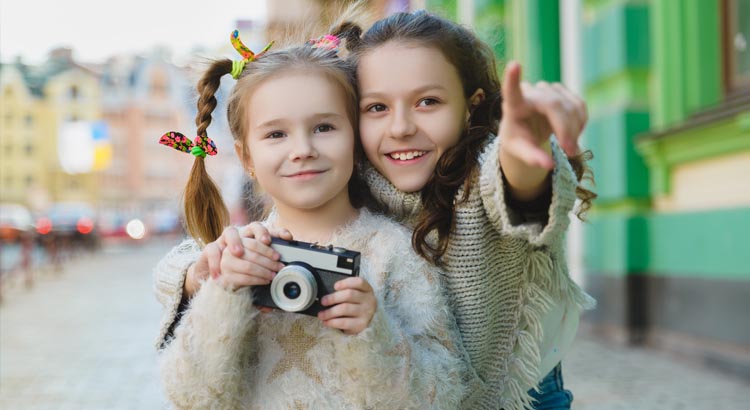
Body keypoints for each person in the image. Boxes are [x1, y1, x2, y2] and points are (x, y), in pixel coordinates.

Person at [158, 10, 597, 410]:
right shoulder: (350, 175)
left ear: (472, 107)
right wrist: (206, 276)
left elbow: (513, 185)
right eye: (377, 107)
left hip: (516, 391)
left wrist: (528, 147)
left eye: (428, 101)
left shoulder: (472, 180)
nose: (402, 127)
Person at [154, 28, 469, 409]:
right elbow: (191, 398)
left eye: (324, 128)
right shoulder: (239, 258)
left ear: (355, 140)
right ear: (246, 158)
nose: (302, 149)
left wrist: (375, 331)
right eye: (276, 134)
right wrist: (224, 295)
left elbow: (447, 395)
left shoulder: (398, 254)